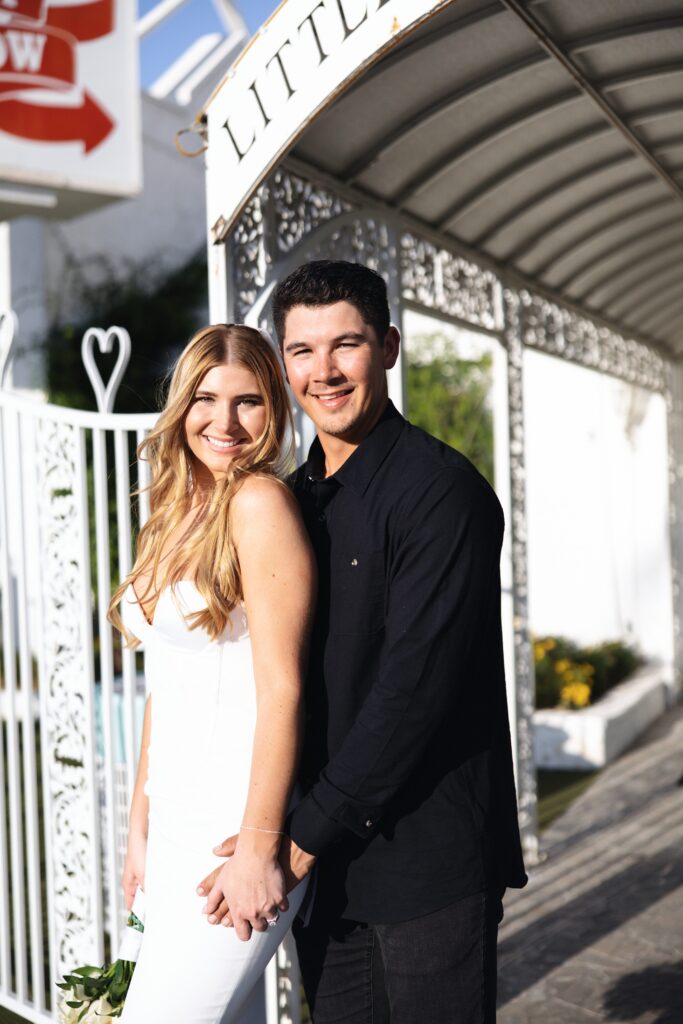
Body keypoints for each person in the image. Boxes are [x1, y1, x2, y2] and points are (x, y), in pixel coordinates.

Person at [202, 260, 527, 1023]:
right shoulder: (294, 497)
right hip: (327, 865)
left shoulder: (442, 494)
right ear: (283, 364)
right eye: (302, 352)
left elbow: (412, 692)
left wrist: (297, 844)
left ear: (387, 346)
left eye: (344, 345)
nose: (324, 372)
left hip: (425, 859)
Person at [109, 324, 316, 1023]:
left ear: (274, 412)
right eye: (205, 398)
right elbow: (163, 685)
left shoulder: (259, 505)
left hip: (231, 836)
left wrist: (259, 848)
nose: (223, 422)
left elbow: (283, 688)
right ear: (181, 405)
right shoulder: (169, 513)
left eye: (248, 401)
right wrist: (139, 824)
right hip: (170, 830)